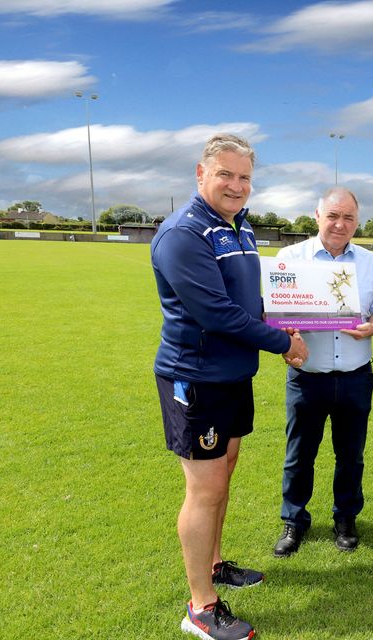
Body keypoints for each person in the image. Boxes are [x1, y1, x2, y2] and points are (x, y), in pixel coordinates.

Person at [152, 133, 308, 640]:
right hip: (194, 379)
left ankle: (215, 565)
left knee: (227, 469)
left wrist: (283, 324)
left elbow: (247, 301)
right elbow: (215, 314)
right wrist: (282, 343)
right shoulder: (183, 234)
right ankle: (200, 606)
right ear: (201, 174)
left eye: (244, 177)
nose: (237, 185)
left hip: (233, 375)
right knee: (206, 487)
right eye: (226, 174)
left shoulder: (238, 227)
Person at [272, 187, 373, 557]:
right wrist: (286, 339)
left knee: (351, 455)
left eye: (348, 218)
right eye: (332, 216)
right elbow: (277, 318)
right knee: (299, 454)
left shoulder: (371, 263)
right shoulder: (290, 258)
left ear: (357, 221)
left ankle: (346, 518)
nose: (340, 225)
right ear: (317, 216)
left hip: (356, 375)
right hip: (308, 376)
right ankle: (294, 520)